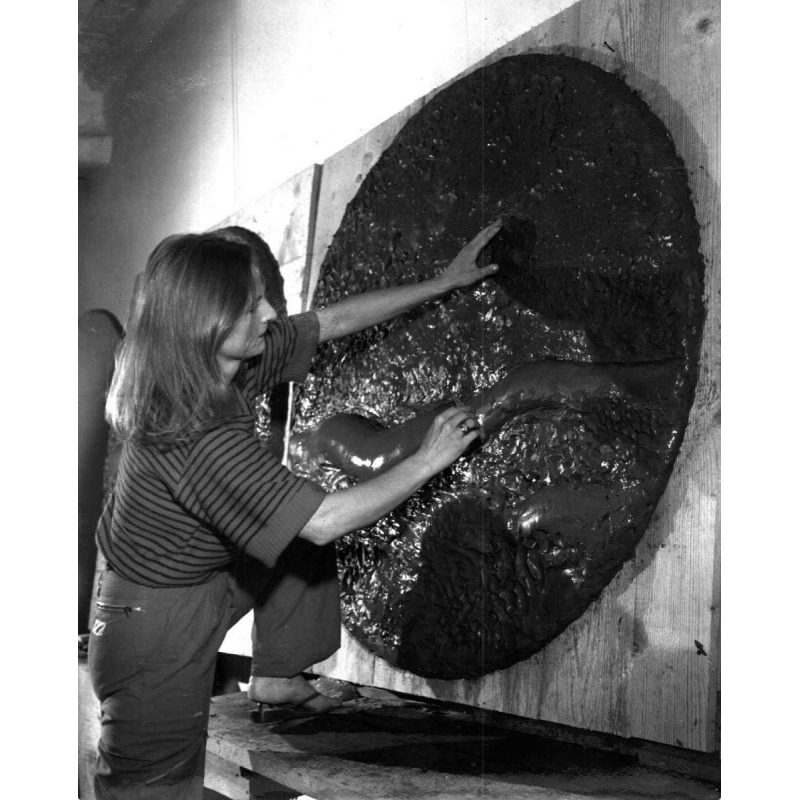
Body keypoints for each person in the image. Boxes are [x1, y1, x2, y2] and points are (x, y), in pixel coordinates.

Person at [88, 219, 501, 799]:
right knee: (152, 790)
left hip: (194, 577)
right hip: (151, 628)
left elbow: (328, 322)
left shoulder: (217, 357)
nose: (268, 314)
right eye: (250, 304)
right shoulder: (197, 433)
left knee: (289, 514)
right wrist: (428, 459)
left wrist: (441, 283)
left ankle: (278, 678)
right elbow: (324, 520)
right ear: (206, 322)